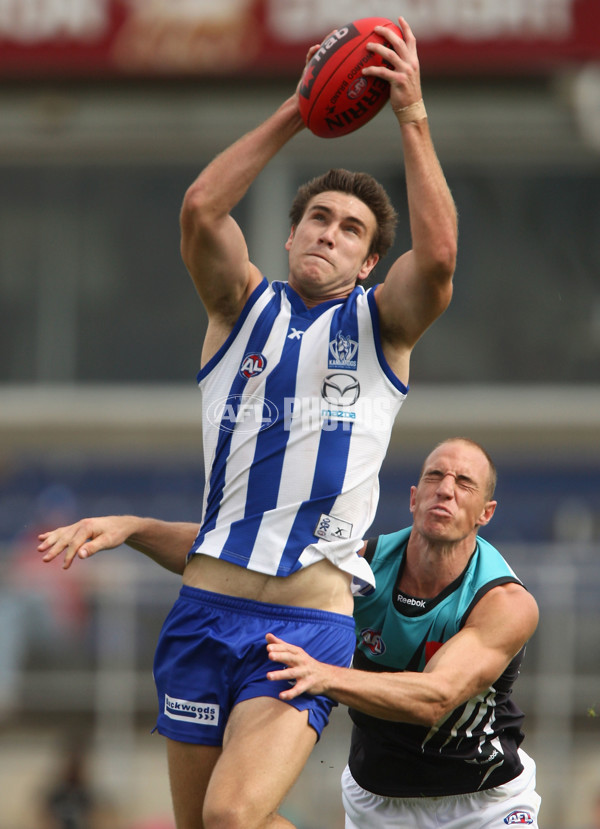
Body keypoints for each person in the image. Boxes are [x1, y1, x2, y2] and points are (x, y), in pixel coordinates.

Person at [38, 15, 457, 829]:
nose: (329, 234)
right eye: (318, 219)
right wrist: (301, 107)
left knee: (231, 816)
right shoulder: (238, 308)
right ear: (292, 230)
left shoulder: (381, 328)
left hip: (305, 627)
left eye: (350, 230)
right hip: (200, 616)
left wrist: (411, 116)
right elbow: (201, 208)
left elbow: (438, 262)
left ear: (369, 263)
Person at [265, 437, 542, 828]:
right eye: (435, 476)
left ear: (486, 512)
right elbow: (244, 558)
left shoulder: (504, 601)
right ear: (414, 498)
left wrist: (323, 675)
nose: (445, 489)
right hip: (376, 803)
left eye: (464, 483)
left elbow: (435, 699)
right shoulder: (359, 569)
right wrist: (145, 529)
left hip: (484, 802)